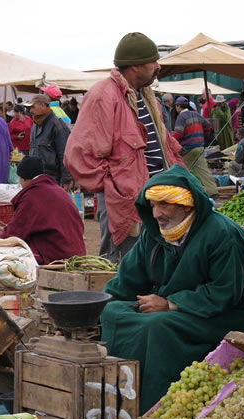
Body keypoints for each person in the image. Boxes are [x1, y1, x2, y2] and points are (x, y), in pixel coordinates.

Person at [100, 165, 244, 413]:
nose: (157, 213)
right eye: (153, 205)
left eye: (164, 204)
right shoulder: (153, 233)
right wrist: (96, 309)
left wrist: (170, 304)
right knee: (112, 312)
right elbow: (127, 280)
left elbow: (226, 292)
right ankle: (120, 400)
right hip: (171, 306)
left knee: (156, 326)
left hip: (222, 313)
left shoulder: (223, 234)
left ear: (187, 205)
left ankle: (150, 407)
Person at [64, 32, 184, 263]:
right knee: (123, 268)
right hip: (126, 204)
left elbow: (165, 146)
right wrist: (114, 186)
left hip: (157, 200)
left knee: (154, 265)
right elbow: (78, 156)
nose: (158, 66)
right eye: (153, 61)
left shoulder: (146, 96)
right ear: (136, 66)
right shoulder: (103, 95)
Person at [0, 156, 85, 264]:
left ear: (24, 178)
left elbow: (15, 231)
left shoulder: (31, 196)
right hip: (77, 251)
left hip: (58, 255)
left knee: (10, 255)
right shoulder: (57, 189)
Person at [171, 96, 218, 198]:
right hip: (200, 147)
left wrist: (170, 142)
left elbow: (178, 134)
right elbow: (208, 126)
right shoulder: (196, 114)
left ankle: (178, 194)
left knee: (179, 170)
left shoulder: (181, 117)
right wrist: (204, 137)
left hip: (188, 149)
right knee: (204, 170)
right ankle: (213, 192)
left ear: (178, 106)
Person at [29, 93, 72, 188]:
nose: (30, 110)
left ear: (43, 105)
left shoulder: (58, 126)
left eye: (33, 107)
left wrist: (66, 180)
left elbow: (64, 155)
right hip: (36, 177)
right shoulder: (35, 125)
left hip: (52, 178)